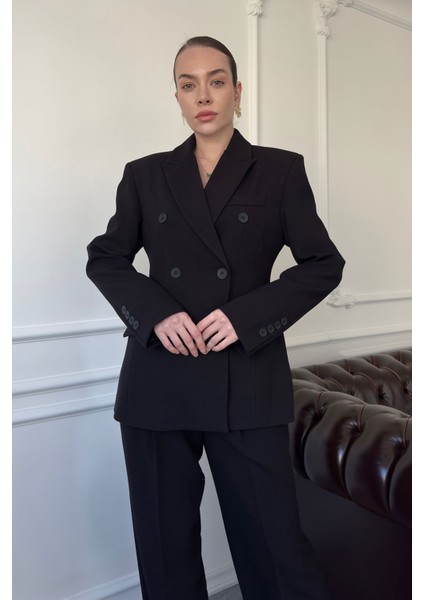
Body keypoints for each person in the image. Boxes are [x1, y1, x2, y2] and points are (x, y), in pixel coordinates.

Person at [86, 36, 345, 600]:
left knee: (275, 549)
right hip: (159, 379)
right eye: (189, 84)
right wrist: (156, 315)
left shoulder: (280, 170)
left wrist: (244, 318)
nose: (203, 95)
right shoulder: (145, 175)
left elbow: (324, 264)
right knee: (165, 551)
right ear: (177, 97)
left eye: (216, 81)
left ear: (237, 92)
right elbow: (105, 257)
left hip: (246, 377)